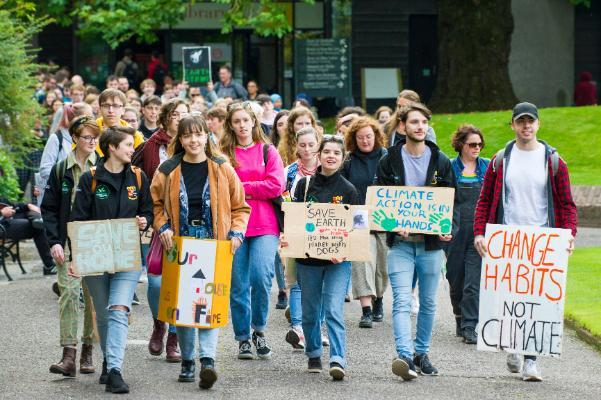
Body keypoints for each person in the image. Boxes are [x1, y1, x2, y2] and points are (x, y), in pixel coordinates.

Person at [473, 102, 577, 382]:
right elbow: (484, 201)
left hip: (542, 239)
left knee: (536, 302)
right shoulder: (500, 160)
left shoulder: (554, 161)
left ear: (538, 125)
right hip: (508, 237)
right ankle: (513, 345)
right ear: (513, 125)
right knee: (509, 300)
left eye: (530, 121)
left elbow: (567, 204)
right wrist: (480, 233)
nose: (526, 126)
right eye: (521, 121)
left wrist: (569, 234)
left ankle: (531, 361)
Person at [150, 115, 250, 389]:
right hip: (179, 243)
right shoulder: (168, 169)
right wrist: (163, 226)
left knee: (208, 303)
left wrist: (237, 234)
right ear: (180, 139)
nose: (194, 140)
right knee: (183, 307)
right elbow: (155, 205)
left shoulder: (222, 167)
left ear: (207, 136)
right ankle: (188, 361)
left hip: (213, 243)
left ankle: (208, 361)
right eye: (187, 136)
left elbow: (241, 207)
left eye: (199, 135)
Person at [70, 126, 153, 394]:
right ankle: (108, 359)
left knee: (119, 309)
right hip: (96, 254)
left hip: (127, 254)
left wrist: (145, 220)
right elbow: (78, 219)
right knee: (103, 313)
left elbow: (148, 210)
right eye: (128, 145)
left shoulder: (139, 177)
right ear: (113, 148)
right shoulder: (90, 179)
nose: (133, 149)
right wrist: (75, 258)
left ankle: (115, 369)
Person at [375, 102, 455, 381]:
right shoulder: (389, 160)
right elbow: (380, 206)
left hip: (431, 245)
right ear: (402, 126)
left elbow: (449, 203)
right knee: (401, 300)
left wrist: (447, 229)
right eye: (414, 122)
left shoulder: (441, 161)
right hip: (401, 245)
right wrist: (393, 224)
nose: (419, 127)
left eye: (423, 122)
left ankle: (421, 353)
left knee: (430, 302)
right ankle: (404, 355)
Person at [283, 135, 358, 380]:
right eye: (327, 151)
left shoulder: (349, 190)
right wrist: (288, 239)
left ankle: (338, 358)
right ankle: (314, 353)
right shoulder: (304, 186)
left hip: (338, 262)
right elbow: (293, 219)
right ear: (319, 154)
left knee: (334, 309)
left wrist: (345, 250)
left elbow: (357, 227)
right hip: (308, 261)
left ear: (342, 157)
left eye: (337, 153)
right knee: (310, 311)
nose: (331, 156)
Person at [220, 102, 285, 360]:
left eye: (246, 120)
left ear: (254, 122)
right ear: (230, 125)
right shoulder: (223, 153)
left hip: (265, 223)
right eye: (237, 121)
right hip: (234, 224)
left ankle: (259, 330)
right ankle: (243, 338)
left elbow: (276, 185)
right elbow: (220, 187)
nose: (242, 125)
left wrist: (241, 188)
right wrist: (252, 187)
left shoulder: (268, 150)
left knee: (261, 277)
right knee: (238, 284)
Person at [42, 115, 99, 378]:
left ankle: (88, 349)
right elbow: (50, 208)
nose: (91, 142)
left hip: (95, 242)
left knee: (91, 298)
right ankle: (68, 354)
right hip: (67, 243)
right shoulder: (60, 169)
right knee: (68, 294)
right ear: (74, 138)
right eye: (87, 137)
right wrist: (54, 241)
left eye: (95, 137)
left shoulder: (102, 167)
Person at [137, 99, 190, 363]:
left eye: (185, 114)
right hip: (159, 220)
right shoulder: (152, 145)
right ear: (166, 118)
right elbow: (134, 173)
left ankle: (174, 337)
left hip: (190, 223)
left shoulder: (195, 143)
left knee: (183, 281)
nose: (180, 118)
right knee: (156, 281)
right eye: (175, 114)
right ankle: (159, 323)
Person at [340, 116, 388, 328]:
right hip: (359, 214)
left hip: (384, 215)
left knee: (382, 262)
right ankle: (366, 309)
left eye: (369, 136)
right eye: (360, 138)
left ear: (376, 136)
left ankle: (379, 299)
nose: (365, 141)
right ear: (354, 139)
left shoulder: (387, 157)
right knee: (361, 260)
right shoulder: (349, 160)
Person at [445, 125, 489, 344]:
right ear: (461, 145)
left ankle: (470, 325)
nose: (477, 148)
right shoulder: (449, 168)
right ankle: (459, 316)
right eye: (472, 144)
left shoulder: (488, 167)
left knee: (473, 281)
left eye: (480, 144)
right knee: (455, 278)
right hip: (455, 230)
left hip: (479, 232)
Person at [282, 127, 321, 350]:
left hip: (323, 233)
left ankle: (317, 327)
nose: (307, 149)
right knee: (296, 281)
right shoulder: (288, 172)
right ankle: (298, 328)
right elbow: (282, 199)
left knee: (320, 281)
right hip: (296, 231)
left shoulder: (327, 168)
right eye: (302, 145)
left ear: (318, 144)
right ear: (296, 145)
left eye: (311, 145)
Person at [38, 103, 94, 203]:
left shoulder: (92, 139)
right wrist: (67, 181)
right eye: (88, 117)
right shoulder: (57, 138)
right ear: (77, 119)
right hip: (61, 197)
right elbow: (45, 169)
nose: (93, 120)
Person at [95, 88, 145, 156]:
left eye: (115, 106)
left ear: (123, 110)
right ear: (100, 109)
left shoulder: (134, 135)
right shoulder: (90, 129)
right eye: (106, 106)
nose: (111, 110)